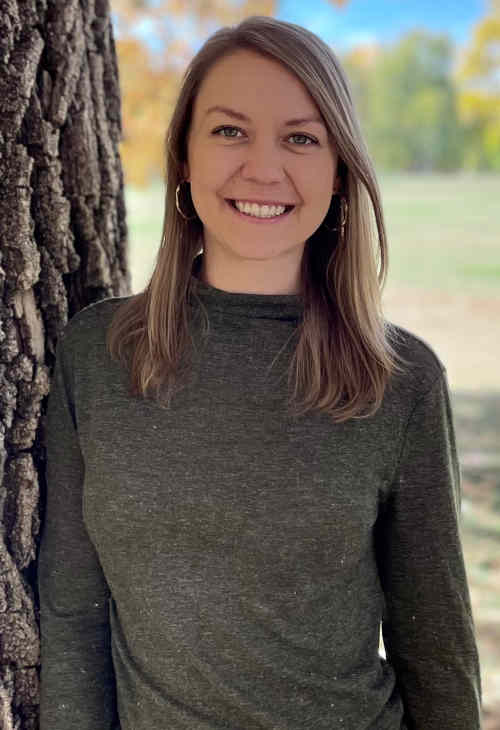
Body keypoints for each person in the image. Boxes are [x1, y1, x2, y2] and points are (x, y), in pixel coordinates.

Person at [37, 14, 483, 730]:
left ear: (339, 172)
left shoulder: (398, 381)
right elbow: (71, 611)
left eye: (301, 138)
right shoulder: (99, 354)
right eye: (229, 131)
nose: (263, 168)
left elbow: (436, 647)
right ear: (183, 154)